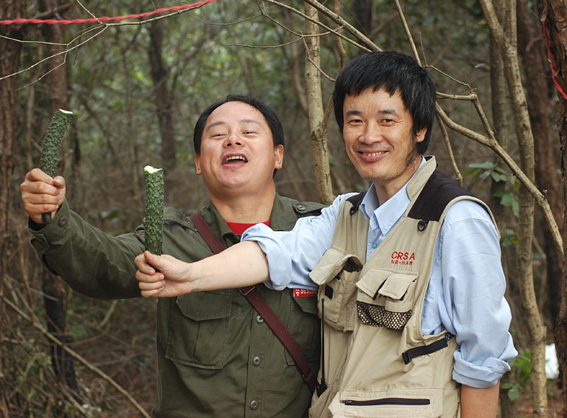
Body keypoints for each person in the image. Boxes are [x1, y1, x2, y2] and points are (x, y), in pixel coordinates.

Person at [135, 52, 517, 418]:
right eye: (354, 121)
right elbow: (273, 254)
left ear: (419, 128)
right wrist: (190, 276)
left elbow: (484, 360)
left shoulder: (456, 220)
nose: (369, 136)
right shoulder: (346, 214)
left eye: (387, 121)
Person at [20, 95, 325, 417]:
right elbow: (102, 265)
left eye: (248, 132)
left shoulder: (321, 232)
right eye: (218, 135)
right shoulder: (169, 238)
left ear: (278, 155)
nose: (233, 140)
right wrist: (51, 215)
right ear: (197, 161)